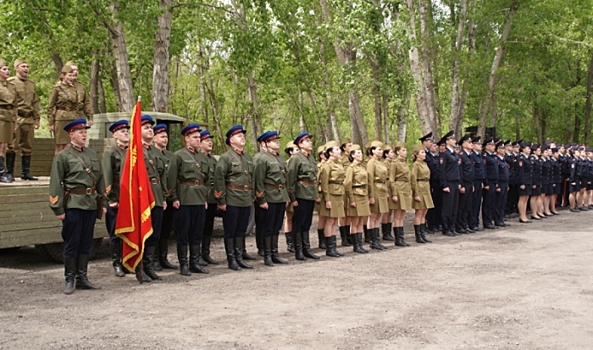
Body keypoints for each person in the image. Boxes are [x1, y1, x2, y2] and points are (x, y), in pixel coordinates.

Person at [49, 118, 105, 294]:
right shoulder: (63, 156)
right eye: (80, 132)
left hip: (90, 204)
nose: (84, 134)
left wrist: (101, 202)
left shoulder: (92, 155)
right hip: (73, 204)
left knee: (86, 242)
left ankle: (82, 277)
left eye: (85, 131)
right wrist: (57, 208)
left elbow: (100, 180)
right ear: (71, 134)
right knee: (72, 242)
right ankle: (69, 279)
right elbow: (56, 183)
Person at [168, 123, 210, 276]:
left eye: (199, 137)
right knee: (183, 233)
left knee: (197, 233)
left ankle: (195, 262)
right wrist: (174, 197)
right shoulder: (178, 155)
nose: (198, 140)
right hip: (184, 198)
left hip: (199, 198)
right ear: (186, 138)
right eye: (195, 137)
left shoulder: (201, 156)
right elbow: (171, 178)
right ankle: (183, 264)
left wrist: (205, 196)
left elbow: (207, 179)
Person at [214, 125, 255, 270]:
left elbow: (251, 178)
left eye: (243, 135)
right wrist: (221, 200)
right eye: (238, 136)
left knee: (241, 230)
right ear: (231, 140)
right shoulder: (226, 158)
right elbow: (219, 179)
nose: (242, 137)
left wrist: (252, 195)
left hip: (245, 198)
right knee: (230, 230)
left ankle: (239, 257)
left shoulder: (247, 157)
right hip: (231, 198)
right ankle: (231, 259)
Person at [254, 131, 290, 266]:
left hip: (280, 196)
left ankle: (275, 253)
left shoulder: (280, 158)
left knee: (277, 226)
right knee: (267, 227)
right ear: (265, 144)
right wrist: (261, 199)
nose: (277, 142)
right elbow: (258, 180)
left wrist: (285, 196)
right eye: (273, 140)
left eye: (277, 140)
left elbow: (284, 179)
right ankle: (267, 254)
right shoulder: (261, 158)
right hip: (269, 196)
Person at [139, 115, 168, 281]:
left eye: (151, 127)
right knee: (143, 233)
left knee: (154, 233)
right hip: (143, 196)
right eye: (146, 127)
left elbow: (162, 175)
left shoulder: (155, 152)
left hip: (156, 195)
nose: (150, 129)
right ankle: (140, 267)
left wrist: (163, 197)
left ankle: (148, 266)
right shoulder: (134, 151)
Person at [286, 131, 320, 261]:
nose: (310, 143)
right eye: (307, 141)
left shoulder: (310, 158)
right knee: (298, 223)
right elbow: (290, 179)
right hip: (300, 193)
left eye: (310, 141)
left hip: (310, 193)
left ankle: (307, 249)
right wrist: (292, 198)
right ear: (300, 144)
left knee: (307, 223)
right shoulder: (295, 158)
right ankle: (298, 250)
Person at [102, 119, 130, 278]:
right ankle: (117, 263)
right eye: (122, 131)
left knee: (128, 232)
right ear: (114, 135)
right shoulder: (111, 153)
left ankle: (127, 262)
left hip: (129, 200)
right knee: (115, 233)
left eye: (127, 131)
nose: (125, 133)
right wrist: (111, 197)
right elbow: (107, 176)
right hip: (117, 199)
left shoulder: (132, 151)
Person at [6, 59, 40, 182]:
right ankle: (9, 172)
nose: (26, 69)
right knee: (12, 145)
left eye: (27, 66)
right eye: (23, 66)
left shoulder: (31, 84)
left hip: (29, 118)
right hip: (17, 117)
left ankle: (25, 172)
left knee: (28, 146)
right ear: (16, 68)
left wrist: (37, 118)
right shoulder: (11, 83)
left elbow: (35, 102)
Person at [152, 124, 177, 270]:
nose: (165, 139)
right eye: (162, 136)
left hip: (168, 196)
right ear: (154, 138)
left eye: (166, 136)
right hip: (156, 196)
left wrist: (173, 197)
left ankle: (163, 257)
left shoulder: (171, 156)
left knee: (166, 229)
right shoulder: (152, 154)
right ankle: (154, 259)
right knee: (156, 229)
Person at [319, 140, 346, 257]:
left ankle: (334, 247)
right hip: (330, 194)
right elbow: (324, 184)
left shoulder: (338, 164)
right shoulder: (327, 165)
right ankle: (329, 248)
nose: (339, 151)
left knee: (335, 221)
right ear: (330, 153)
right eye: (336, 150)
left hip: (339, 193)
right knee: (329, 221)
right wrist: (327, 199)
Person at [198, 129, 219, 266]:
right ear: (199, 144)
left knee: (208, 227)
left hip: (212, 197)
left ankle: (206, 253)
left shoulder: (212, 159)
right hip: (200, 196)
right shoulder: (198, 158)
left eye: (210, 140)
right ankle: (197, 254)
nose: (210, 142)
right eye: (206, 140)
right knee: (198, 227)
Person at [344, 144, 370, 253]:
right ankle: (355, 245)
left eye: (361, 153)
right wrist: (352, 199)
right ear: (353, 155)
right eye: (358, 153)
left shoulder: (362, 167)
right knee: (355, 221)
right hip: (355, 193)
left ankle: (360, 243)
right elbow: (347, 184)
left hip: (363, 194)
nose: (360, 155)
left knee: (361, 221)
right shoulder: (351, 168)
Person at [47, 65, 79, 154]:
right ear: (63, 75)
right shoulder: (56, 88)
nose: (72, 78)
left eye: (73, 75)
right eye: (69, 75)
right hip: (60, 118)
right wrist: (51, 122)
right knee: (60, 145)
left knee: (69, 145)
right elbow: (50, 106)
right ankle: (58, 166)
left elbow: (76, 104)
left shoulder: (74, 88)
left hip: (72, 118)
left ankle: (67, 166)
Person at [389, 141, 414, 245]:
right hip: (398, 188)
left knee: (402, 214)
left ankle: (401, 237)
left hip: (405, 188)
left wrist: (410, 192)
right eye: (403, 150)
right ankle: (398, 239)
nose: (405, 152)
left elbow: (408, 179)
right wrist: (394, 194)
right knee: (397, 215)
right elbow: (391, 179)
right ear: (397, 152)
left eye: (405, 150)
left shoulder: (405, 163)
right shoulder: (394, 163)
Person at [366, 140, 389, 249]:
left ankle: (377, 239)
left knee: (379, 215)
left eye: (382, 149)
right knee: (373, 216)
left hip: (382, 189)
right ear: (373, 150)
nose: (381, 151)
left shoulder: (381, 162)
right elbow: (370, 180)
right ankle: (372, 241)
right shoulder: (371, 163)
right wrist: (371, 195)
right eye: (379, 149)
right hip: (375, 189)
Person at [438, 131, 461, 236]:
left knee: (454, 207)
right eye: (452, 139)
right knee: (447, 206)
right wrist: (444, 185)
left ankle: (452, 227)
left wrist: (459, 181)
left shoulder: (455, 154)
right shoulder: (444, 154)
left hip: (455, 182)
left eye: (454, 139)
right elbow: (442, 171)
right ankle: (446, 228)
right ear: (447, 141)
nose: (454, 141)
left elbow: (457, 170)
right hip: (449, 183)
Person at [410, 145, 433, 243]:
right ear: (417, 154)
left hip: (426, 187)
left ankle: (423, 233)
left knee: (424, 212)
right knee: (419, 212)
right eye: (422, 152)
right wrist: (416, 193)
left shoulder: (425, 164)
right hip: (420, 187)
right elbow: (413, 179)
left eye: (424, 152)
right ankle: (418, 235)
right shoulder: (416, 165)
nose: (424, 154)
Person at [0, 59, 17, 183]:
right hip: (0, 115)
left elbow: (15, 103)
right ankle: (1, 172)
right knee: (0, 144)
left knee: (5, 145)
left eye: (8, 69)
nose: (7, 71)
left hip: (9, 115)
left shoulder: (11, 86)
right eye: (4, 69)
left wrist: (15, 119)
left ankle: (3, 171)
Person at [420, 133, 440, 233]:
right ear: (424, 143)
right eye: (429, 142)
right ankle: (428, 225)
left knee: (435, 204)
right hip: (428, 183)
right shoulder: (424, 155)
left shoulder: (432, 156)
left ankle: (434, 224)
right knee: (427, 206)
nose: (431, 143)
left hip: (435, 182)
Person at [282, 141, 300, 252]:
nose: (299, 152)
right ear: (290, 152)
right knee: (289, 217)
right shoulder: (287, 163)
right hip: (290, 192)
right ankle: (290, 243)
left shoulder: (302, 161)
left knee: (298, 218)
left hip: (300, 192)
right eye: (296, 150)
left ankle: (297, 240)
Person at [456, 134, 474, 233]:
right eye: (469, 142)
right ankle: (459, 226)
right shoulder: (461, 156)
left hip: (470, 183)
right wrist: (461, 185)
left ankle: (464, 224)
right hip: (464, 183)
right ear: (463, 145)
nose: (471, 144)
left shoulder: (469, 156)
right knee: (461, 206)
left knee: (467, 206)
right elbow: (460, 171)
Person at [338, 138, 353, 247]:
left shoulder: (354, 159)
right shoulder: (342, 160)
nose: (351, 146)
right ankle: (343, 237)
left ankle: (349, 235)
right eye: (349, 145)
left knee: (349, 213)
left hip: (352, 188)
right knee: (342, 214)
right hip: (343, 187)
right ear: (344, 148)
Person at [481, 137, 499, 229]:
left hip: (493, 182)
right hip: (489, 182)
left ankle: (490, 220)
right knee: (487, 203)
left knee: (492, 202)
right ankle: (486, 221)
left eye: (494, 145)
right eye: (491, 145)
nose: (494, 146)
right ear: (487, 146)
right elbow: (485, 171)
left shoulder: (492, 156)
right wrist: (486, 183)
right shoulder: (485, 157)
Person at [470, 136, 485, 231]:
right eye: (478, 144)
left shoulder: (479, 156)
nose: (480, 146)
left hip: (479, 181)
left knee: (478, 203)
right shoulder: (472, 156)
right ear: (473, 145)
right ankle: (472, 223)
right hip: (474, 181)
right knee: (473, 203)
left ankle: (476, 222)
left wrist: (482, 181)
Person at [381, 145, 396, 241]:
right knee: (386, 211)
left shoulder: (393, 163)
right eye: (391, 152)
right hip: (386, 185)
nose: (393, 154)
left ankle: (388, 232)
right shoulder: (385, 163)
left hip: (392, 186)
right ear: (386, 154)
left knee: (390, 210)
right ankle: (385, 232)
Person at [494, 140, 510, 227]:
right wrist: (497, 185)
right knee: (498, 203)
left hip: (505, 183)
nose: (504, 150)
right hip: (500, 183)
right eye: (502, 148)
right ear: (498, 150)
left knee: (503, 202)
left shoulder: (503, 160)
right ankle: (497, 220)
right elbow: (497, 173)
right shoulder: (497, 160)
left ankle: (501, 218)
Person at [315, 144, 327, 249]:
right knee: (322, 217)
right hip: (321, 193)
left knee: (330, 217)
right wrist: (316, 195)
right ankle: (321, 240)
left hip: (330, 193)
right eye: (324, 153)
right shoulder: (319, 166)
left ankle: (328, 238)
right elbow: (316, 182)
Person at [517, 142, 533, 223]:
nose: (529, 150)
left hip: (528, 180)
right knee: (522, 198)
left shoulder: (528, 158)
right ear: (523, 149)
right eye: (527, 148)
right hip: (524, 181)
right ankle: (521, 216)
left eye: (530, 149)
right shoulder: (521, 158)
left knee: (526, 198)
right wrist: (522, 182)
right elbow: (521, 172)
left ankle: (524, 215)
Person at [529, 144, 544, 219]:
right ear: (534, 151)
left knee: (537, 196)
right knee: (534, 197)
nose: (540, 152)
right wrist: (533, 182)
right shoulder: (532, 159)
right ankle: (533, 213)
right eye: (538, 150)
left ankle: (537, 211)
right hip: (534, 180)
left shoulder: (538, 159)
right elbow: (532, 172)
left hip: (538, 180)